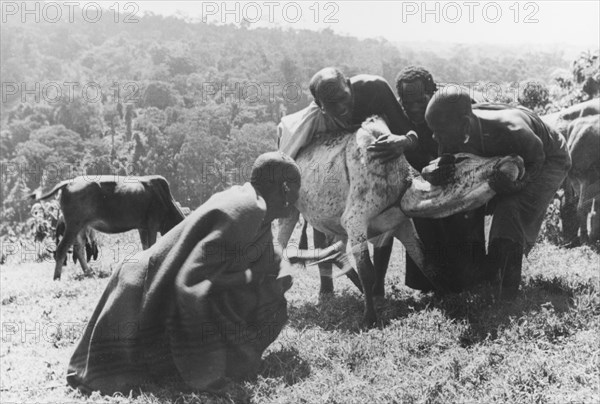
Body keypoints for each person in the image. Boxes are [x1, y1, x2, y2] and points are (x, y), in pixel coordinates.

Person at [66, 152, 301, 395]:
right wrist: (209, 376)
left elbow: (257, 259)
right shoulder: (247, 210)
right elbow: (191, 284)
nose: (298, 198)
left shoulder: (252, 204)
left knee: (269, 294)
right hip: (141, 293)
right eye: (297, 189)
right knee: (128, 374)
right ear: (285, 188)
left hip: (150, 281)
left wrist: (277, 270)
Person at [278, 67, 418, 294]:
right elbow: (288, 162)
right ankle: (326, 286)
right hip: (330, 170)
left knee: (387, 212)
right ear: (320, 106)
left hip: (374, 159)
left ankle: (378, 287)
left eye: (344, 98)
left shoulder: (375, 90)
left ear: (350, 87)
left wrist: (403, 141)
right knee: (321, 212)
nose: (342, 108)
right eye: (332, 104)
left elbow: (406, 129)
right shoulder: (315, 125)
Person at [424, 88, 571, 297]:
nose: (434, 136)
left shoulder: (512, 130)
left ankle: (506, 289)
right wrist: (433, 171)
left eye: (439, 131)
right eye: (432, 130)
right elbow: (447, 165)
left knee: (509, 209)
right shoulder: (454, 130)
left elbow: (536, 159)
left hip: (547, 158)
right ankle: (479, 273)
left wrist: (516, 186)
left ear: (465, 124)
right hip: (506, 158)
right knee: (462, 205)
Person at [396, 66, 487, 292]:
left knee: (463, 234)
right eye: (408, 103)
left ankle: (470, 280)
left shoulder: (452, 110)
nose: (414, 108)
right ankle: (430, 283)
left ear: (432, 93)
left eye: (420, 101)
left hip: (462, 180)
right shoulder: (402, 122)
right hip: (424, 188)